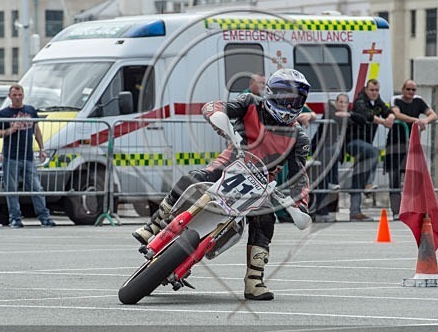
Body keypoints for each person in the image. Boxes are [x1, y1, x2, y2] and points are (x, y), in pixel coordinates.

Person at [133, 68, 311, 301]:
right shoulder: (249, 103)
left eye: (296, 100)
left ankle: (254, 280)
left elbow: (300, 175)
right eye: (286, 98)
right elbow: (214, 107)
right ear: (271, 93)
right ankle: (155, 225)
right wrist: (218, 116)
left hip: (261, 185)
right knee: (194, 177)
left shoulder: (299, 137)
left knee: (266, 219)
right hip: (230, 164)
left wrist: (301, 205)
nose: (289, 105)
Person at [0, 83, 56, 228]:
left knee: (36, 187)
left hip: (28, 156)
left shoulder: (30, 110)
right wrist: (10, 130)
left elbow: (37, 130)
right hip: (11, 156)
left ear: (23, 95)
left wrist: (42, 148)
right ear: (9, 96)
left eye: (19, 95)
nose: (17, 98)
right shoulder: (3, 114)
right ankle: (15, 217)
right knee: (12, 189)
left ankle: (44, 217)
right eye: (14, 95)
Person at [389, 79, 438, 220]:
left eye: (413, 90)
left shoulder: (419, 101)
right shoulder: (396, 100)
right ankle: (396, 211)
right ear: (403, 89)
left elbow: (433, 115)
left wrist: (424, 121)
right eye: (408, 89)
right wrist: (414, 120)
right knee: (395, 178)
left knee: (414, 178)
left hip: (412, 145)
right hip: (395, 143)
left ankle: (413, 209)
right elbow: (397, 114)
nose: (410, 92)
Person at [348, 79, 395, 221]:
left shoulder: (377, 101)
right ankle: (369, 184)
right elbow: (365, 115)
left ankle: (355, 212)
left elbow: (388, 111)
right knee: (375, 152)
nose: (374, 93)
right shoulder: (360, 101)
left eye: (376, 90)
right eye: (372, 90)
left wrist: (391, 116)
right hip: (352, 142)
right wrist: (383, 122)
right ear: (366, 89)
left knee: (358, 175)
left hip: (366, 145)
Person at [312, 93, 349, 223]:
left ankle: (327, 212)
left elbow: (360, 119)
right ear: (336, 102)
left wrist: (348, 115)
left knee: (325, 180)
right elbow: (333, 117)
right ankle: (321, 212)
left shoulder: (345, 114)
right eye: (340, 102)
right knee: (323, 180)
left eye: (345, 103)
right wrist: (345, 116)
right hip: (321, 149)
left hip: (331, 153)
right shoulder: (330, 111)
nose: (343, 105)